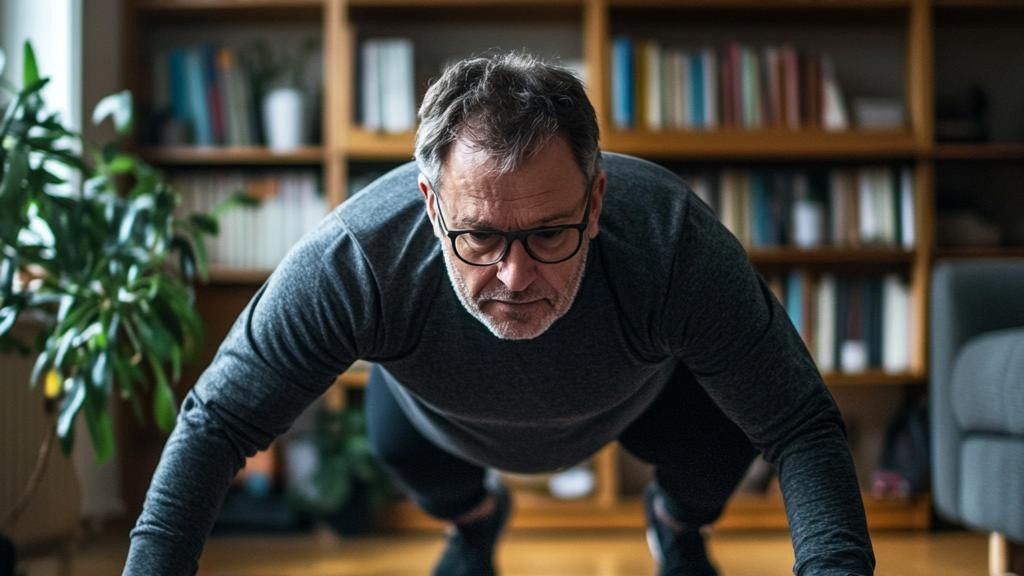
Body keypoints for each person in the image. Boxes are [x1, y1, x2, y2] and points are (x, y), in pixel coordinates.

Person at [123, 52, 875, 576]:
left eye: (550, 232)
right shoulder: (355, 258)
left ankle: (674, 528)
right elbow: (216, 424)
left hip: (639, 400)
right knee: (395, 444)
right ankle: (475, 524)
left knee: (724, 433)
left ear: (597, 198)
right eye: (479, 236)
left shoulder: (671, 243)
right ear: (429, 205)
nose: (515, 277)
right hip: (432, 419)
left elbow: (799, 425)